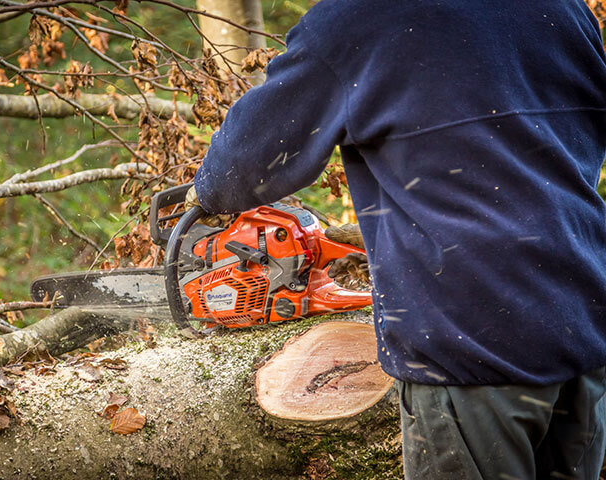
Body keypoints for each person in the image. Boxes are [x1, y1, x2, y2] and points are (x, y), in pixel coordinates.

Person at [188, 0, 606, 478]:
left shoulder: (360, 16)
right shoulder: (563, 8)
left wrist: (203, 193)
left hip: (469, 342)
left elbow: (242, 167)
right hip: (582, 316)